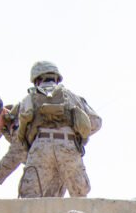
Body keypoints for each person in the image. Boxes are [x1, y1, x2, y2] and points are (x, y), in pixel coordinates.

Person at [15, 61, 101, 198]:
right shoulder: (72, 96)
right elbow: (96, 123)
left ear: (36, 80)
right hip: (68, 145)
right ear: (56, 77)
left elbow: (21, 128)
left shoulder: (29, 98)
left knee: (29, 195)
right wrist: (77, 134)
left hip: (40, 147)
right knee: (79, 195)